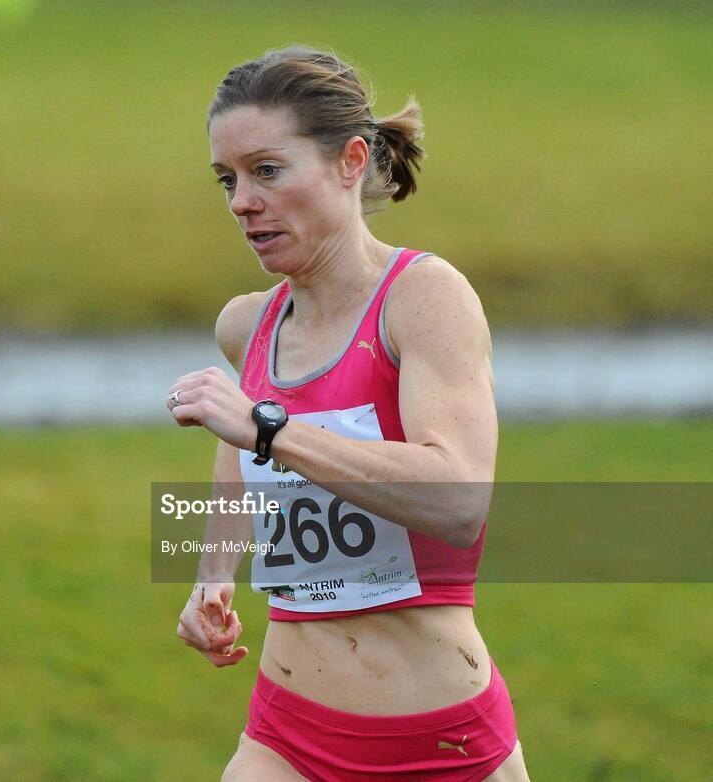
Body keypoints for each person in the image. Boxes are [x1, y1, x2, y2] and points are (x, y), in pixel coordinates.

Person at [165, 47, 531, 781]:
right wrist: (212, 575)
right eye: (227, 179)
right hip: (285, 737)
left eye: (266, 170)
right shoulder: (247, 326)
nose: (241, 200)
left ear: (351, 160)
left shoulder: (424, 299)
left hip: (445, 748)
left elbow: (459, 498)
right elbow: (239, 459)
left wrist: (272, 428)